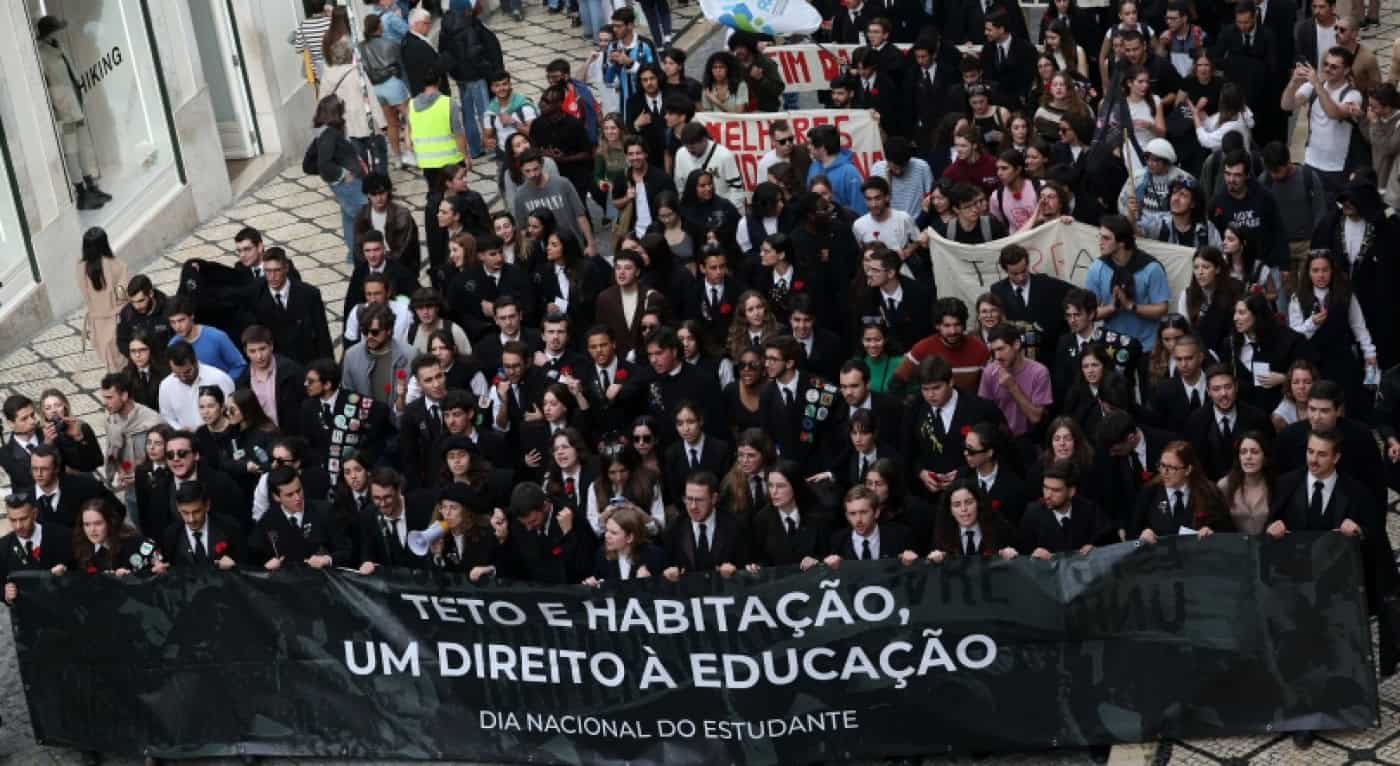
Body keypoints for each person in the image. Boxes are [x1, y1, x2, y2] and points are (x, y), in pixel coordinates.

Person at [1287, 249, 1377, 408]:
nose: (1320, 275)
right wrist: (1312, 324)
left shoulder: (1346, 294)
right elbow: (1294, 336)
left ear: (1332, 271)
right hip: (1313, 362)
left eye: (1325, 270)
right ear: (1308, 273)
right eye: (1315, 270)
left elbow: (1359, 326)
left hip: (1341, 359)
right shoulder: (1298, 298)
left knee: (1345, 405)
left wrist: (1369, 353)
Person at [1281, 47, 1366, 203]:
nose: (1328, 69)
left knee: (1331, 215)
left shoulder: (1353, 95)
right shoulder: (1313, 87)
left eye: (1334, 66)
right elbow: (1287, 105)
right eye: (1326, 64)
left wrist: (1317, 85)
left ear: (1346, 70)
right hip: (1310, 161)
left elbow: (1334, 113)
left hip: (1336, 169)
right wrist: (1293, 82)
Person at [1086, 215, 1169, 350]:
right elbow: (1088, 313)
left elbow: (1162, 309)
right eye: (1099, 236)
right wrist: (1111, 308)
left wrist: (1132, 306)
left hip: (1146, 345)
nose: (1100, 242)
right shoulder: (1097, 267)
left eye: (1106, 238)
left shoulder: (1151, 268)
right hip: (1110, 345)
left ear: (1122, 242)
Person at [249, 466, 349, 569]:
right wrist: (266, 566)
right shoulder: (268, 520)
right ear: (276, 497)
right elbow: (254, 558)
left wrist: (327, 559)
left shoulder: (325, 511)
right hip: (286, 582)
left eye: (299, 490)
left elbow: (346, 551)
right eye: (289, 495)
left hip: (322, 580)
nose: (297, 498)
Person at [312, 94, 369, 264]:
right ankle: (362, 256)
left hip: (346, 183)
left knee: (350, 219)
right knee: (363, 218)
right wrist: (344, 174)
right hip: (347, 184)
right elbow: (324, 164)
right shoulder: (329, 134)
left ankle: (354, 255)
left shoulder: (328, 131)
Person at [1018, 459, 1112, 557]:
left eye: (1056, 490)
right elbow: (1022, 555)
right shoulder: (1032, 514)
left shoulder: (1090, 510)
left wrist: (1095, 549)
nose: (1047, 495)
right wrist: (1034, 556)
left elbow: (1110, 544)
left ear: (1071, 491)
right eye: (1045, 488)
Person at [513, 149, 595, 257]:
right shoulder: (520, 195)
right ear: (521, 170)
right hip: (545, 252)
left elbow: (580, 215)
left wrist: (590, 244)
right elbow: (523, 228)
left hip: (572, 245)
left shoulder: (562, 184)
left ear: (542, 165)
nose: (533, 174)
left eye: (535, 169)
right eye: (527, 171)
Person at [979, 324, 1052, 439]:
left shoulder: (1039, 372)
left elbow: (1035, 417)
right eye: (994, 351)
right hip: (999, 439)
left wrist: (1012, 387)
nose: (997, 356)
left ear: (1016, 344)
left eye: (1001, 349)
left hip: (1031, 439)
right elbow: (983, 413)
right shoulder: (990, 372)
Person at [1, 493, 72, 603]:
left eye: (23, 519)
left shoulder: (62, 535)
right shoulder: (3, 547)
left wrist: (66, 573)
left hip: (63, 610)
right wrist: (6, 594)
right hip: (25, 615)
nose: (18, 526)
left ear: (34, 514)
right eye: (13, 520)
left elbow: (81, 569)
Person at [76, 228, 129, 372]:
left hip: (97, 323)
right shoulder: (117, 266)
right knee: (122, 362)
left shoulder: (81, 267)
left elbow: (85, 293)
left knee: (108, 362)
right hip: (117, 320)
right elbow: (122, 296)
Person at [927, 478, 1019, 562]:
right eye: (957, 505)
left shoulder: (999, 528)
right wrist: (934, 560)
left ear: (979, 503)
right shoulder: (942, 533)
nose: (963, 509)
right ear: (950, 510)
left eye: (969, 502)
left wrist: (1010, 554)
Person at [161, 480, 244, 570]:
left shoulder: (230, 527)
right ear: (178, 508)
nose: (191, 519)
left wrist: (234, 567)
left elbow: (246, 567)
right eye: (185, 513)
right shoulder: (171, 535)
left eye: (196, 512)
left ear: (207, 505)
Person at [158, 341, 235, 431]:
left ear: (195, 361)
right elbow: (167, 417)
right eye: (177, 374)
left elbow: (232, 411)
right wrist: (179, 430)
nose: (183, 378)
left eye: (187, 372)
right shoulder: (166, 386)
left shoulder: (219, 379)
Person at [583, 505, 665, 583]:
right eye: (606, 530)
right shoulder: (602, 554)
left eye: (613, 533)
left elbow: (665, 591)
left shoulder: (654, 555)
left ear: (629, 537)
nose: (607, 535)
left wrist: (649, 582)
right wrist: (592, 585)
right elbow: (599, 583)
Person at [1218, 430, 1274, 534]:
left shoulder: (1275, 485)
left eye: (1254, 452)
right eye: (1243, 452)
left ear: (1265, 456)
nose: (1248, 457)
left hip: (1268, 546)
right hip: (1234, 547)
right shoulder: (1225, 485)